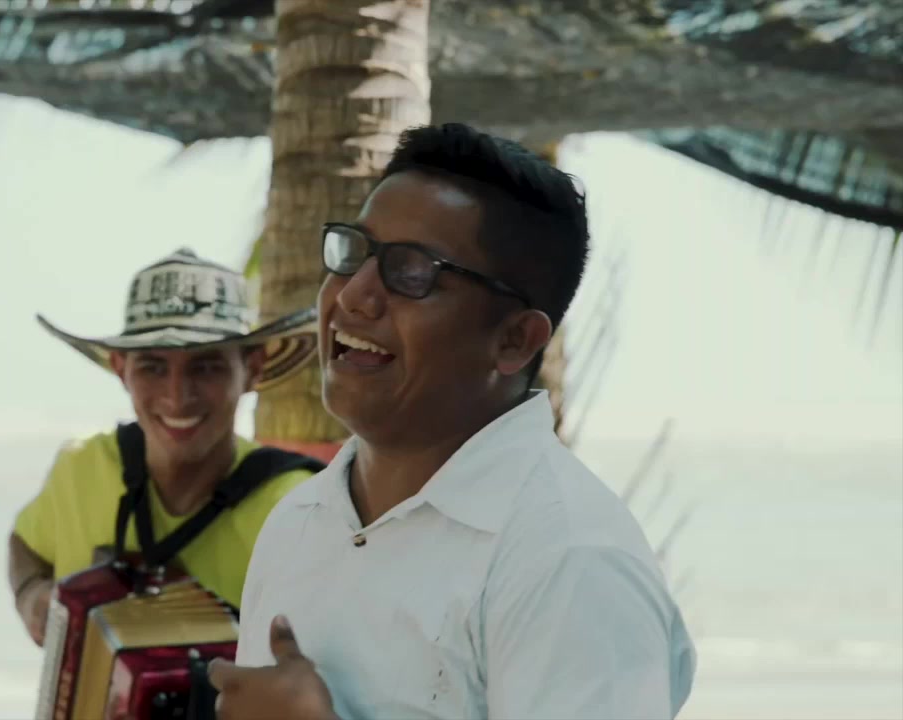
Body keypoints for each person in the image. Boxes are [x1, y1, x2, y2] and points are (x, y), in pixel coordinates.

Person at [207, 124, 697, 719]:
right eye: (354, 253)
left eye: (412, 272)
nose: (354, 296)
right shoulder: (298, 521)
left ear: (515, 340)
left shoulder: (571, 557)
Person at [7, 247, 325, 646]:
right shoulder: (81, 467)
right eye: (153, 367)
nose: (177, 397)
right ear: (121, 370)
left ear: (252, 369)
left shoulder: (297, 509)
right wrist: (30, 594)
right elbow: (25, 543)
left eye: (206, 366)